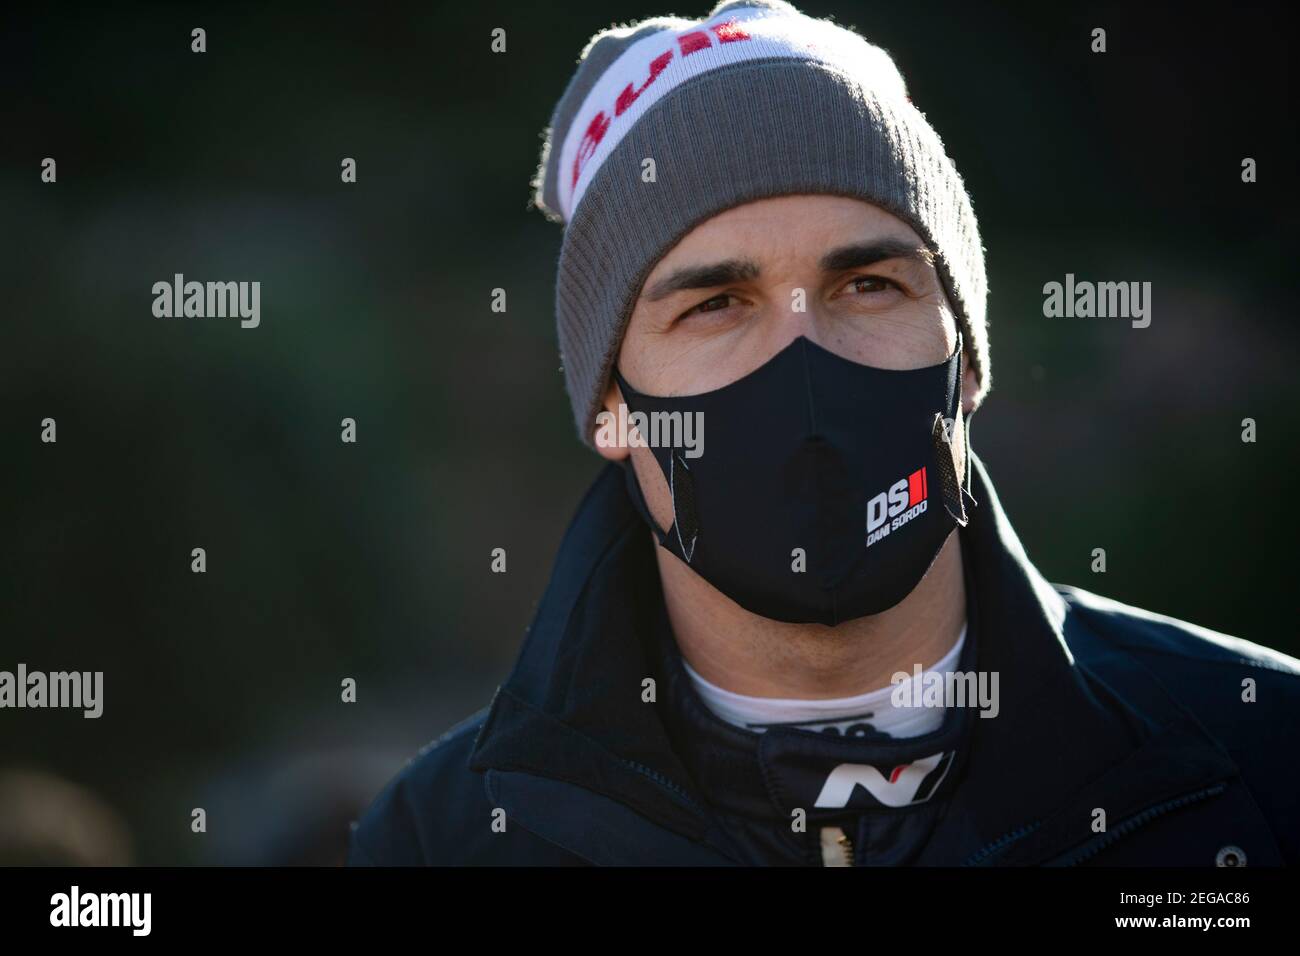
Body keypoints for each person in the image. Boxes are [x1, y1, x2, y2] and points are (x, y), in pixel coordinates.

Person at [346, 0, 1299, 866]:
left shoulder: (1259, 759)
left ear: (966, 360)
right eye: (718, 303)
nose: (805, 365)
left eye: (868, 285)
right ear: (609, 407)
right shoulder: (443, 841)